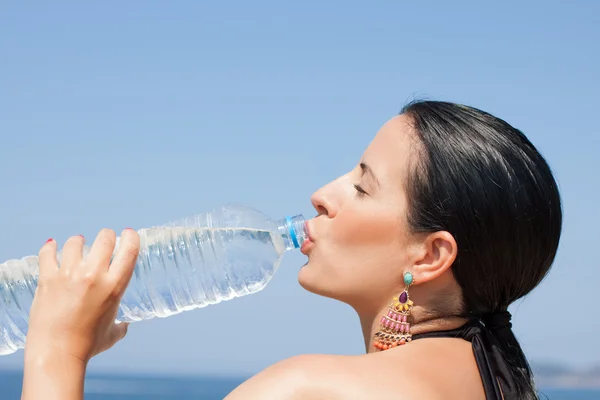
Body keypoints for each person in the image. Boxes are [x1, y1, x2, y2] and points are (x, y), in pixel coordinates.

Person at [21, 100, 562, 400]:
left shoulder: (309, 391)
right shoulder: (493, 382)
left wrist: (56, 350)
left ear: (428, 257)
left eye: (361, 185)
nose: (322, 194)